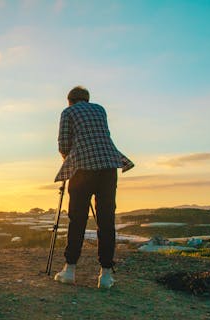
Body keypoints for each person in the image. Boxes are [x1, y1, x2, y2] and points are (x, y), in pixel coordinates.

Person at [53, 86, 134, 289]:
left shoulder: (68, 112)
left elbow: (63, 144)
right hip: (108, 166)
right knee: (106, 219)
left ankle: (70, 270)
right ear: (87, 100)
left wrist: (69, 161)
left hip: (83, 169)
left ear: (70, 100)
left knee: (77, 219)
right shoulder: (100, 109)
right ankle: (105, 275)